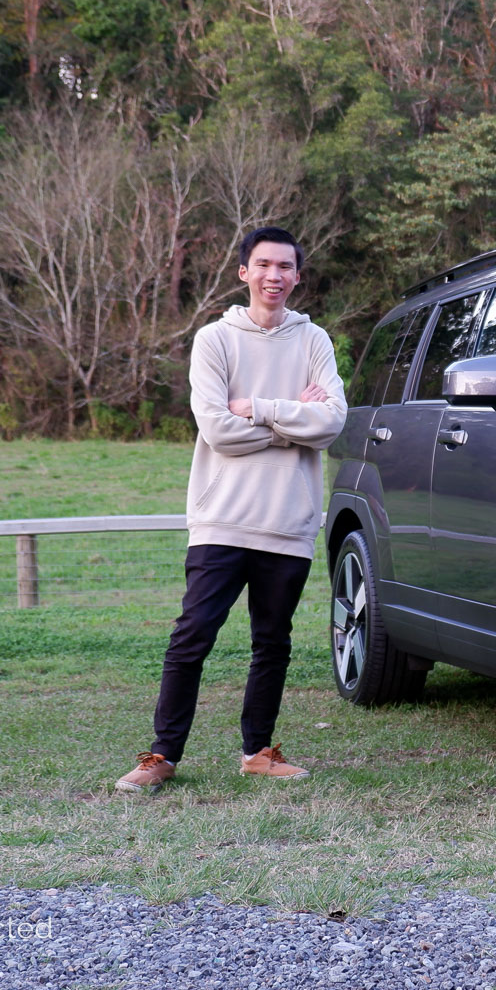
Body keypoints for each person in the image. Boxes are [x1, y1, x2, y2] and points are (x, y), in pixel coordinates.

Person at [117, 227, 347, 793]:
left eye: (286, 267)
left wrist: (260, 409)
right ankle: (162, 755)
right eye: (263, 264)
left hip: (289, 521)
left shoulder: (314, 341)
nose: (275, 276)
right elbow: (217, 431)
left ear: (297, 276)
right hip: (222, 516)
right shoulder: (214, 339)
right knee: (192, 636)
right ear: (244, 272)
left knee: (273, 641)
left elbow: (333, 423)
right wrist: (291, 421)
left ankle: (258, 752)